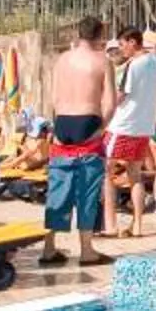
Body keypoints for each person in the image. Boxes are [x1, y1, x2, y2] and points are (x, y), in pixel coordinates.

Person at [41, 16, 114, 268]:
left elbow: (53, 97)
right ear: (99, 35)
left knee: (58, 188)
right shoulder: (103, 61)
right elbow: (110, 103)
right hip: (88, 123)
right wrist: (101, 129)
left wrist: (56, 126)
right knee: (87, 189)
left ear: (78, 33)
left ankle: (49, 247)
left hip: (62, 124)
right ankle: (86, 250)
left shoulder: (62, 60)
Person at [104, 26, 156, 237]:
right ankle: (138, 225)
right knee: (135, 176)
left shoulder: (134, 65)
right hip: (143, 127)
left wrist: (104, 108)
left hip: (123, 125)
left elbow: (121, 95)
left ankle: (110, 225)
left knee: (106, 172)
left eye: (122, 44)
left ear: (132, 42)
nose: (121, 50)